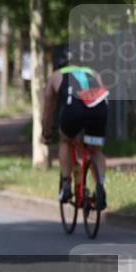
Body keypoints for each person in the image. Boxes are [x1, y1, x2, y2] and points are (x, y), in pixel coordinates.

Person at [42, 52, 109, 211]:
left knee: (65, 140)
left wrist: (46, 133)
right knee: (96, 150)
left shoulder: (56, 75)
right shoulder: (92, 72)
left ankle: (66, 184)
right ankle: (100, 185)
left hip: (74, 109)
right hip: (99, 109)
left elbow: (48, 110)